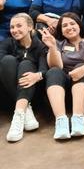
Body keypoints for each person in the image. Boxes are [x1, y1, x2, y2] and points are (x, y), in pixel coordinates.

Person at [39, 12, 84, 140]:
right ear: (61, 30)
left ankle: (78, 119)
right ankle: (61, 121)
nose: (69, 27)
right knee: (54, 71)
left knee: (80, 66)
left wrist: (83, 69)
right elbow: (56, 66)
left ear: (79, 25)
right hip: (62, 92)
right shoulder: (57, 43)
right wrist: (52, 47)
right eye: (65, 25)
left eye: (72, 23)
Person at [0, 13, 48, 142]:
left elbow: (45, 69)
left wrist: (37, 76)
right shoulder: (8, 43)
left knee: (27, 64)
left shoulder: (41, 44)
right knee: (7, 61)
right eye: (12, 27)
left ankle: (18, 116)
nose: (14, 30)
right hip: (10, 92)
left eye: (19, 26)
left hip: (35, 92)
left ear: (30, 27)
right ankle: (24, 109)